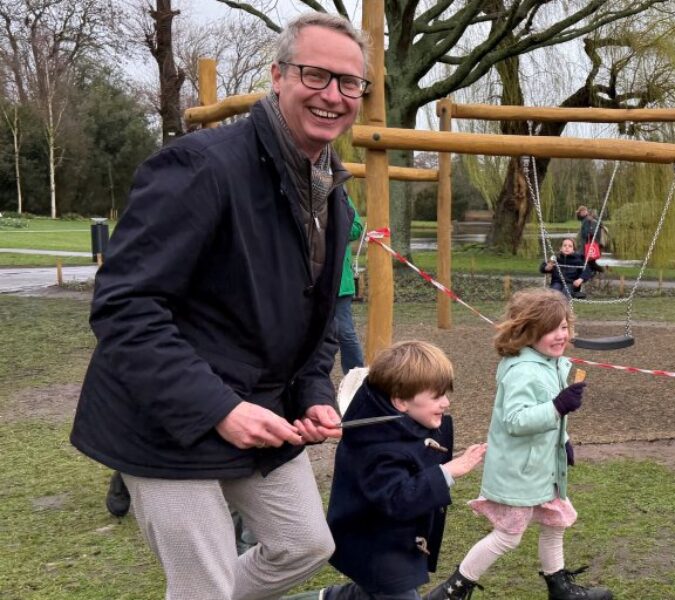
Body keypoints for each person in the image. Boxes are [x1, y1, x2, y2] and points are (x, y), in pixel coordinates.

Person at [70, 13, 369, 598]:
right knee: (203, 582)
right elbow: (124, 306)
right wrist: (218, 408)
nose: (333, 95)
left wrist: (313, 391)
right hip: (163, 417)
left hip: (263, 405)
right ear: (278, 76)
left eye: (349, 82)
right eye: (315, 75)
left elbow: (318, 317)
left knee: (305, 545)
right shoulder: (201, 165)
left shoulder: (330, 189)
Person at [426, 288, 611, 600]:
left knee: (555, 522)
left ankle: (560, 588)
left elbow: (549, 419)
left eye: (563, 326)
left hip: (543, 466)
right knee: (508, 536)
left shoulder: (552, 363)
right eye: (550, 329)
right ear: (528, 332)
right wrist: (557, 407)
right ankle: (451, 591)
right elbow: (515, 421)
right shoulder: (523, 371)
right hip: (520, 471)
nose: (560, 335)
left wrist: (563, 441)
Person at [286, 341, 487, 600]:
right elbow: (396, 498)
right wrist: (446, 472)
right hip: (375, 549)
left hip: (394, 545)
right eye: (437, 396)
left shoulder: (400, 423)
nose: (446, 402)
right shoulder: (376, 445)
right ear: (400, 401)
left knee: (367, 595)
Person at [336, 199, 366, 374]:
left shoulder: (340, 195)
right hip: (306, 282)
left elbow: (356, 229)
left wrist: (332, 227)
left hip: (338, 283)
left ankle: (356, 377)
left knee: (345, 333)